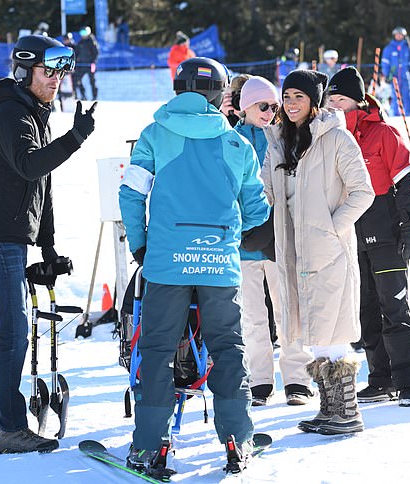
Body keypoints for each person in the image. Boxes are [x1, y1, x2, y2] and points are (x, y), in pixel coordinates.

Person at [119, 57, 270, 471]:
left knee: (156, 349)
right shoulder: (237, 145)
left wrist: (141, 246)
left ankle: (149, 444)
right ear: (221, 95)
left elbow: (131, 195)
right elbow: (257, 210)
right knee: (227, 347)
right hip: (219, 261)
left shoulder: (152, 135)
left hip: (166, 261)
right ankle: (237, 439)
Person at [0, 34, 96, 454]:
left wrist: (48, 245)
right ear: (24, 73)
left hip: (10, 236)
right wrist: (75, 138)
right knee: (14, 332)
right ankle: (9, 426)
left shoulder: (34, 115)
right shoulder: (11, 116)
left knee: (12, 330)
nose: (56, 79)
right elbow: (29, 166)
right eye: (48, 71)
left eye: (60, 71)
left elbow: (43, 184)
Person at [262, 69, 375, 435]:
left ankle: (347, 412)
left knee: (333, 330)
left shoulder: (337, 138)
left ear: (314, 101)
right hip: (294, 250)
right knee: (314, 331)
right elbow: (265, 191)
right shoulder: (280, 141)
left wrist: (331, 229)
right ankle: (330, 410)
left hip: (328, 250)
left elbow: (363, 192)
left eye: (299, 96)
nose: (291, 103)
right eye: (287, 96)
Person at [328, 66, 410, 407]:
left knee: (393, 308)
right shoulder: (329, 138)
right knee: (365, 311)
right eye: (331, 100)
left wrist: (409, 227)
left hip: (386, 234)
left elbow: (407, 182)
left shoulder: (383, 132)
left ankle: (408, 380)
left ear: (357, 99)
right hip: (349, 237)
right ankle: (380, 379)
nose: (335, 106)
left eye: (341, 99)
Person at [235, 75, 314, 406]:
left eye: (273, 106)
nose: (269, 112)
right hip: (241, 241)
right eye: (262, 106)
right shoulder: (229, 140)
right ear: (245, 107)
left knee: (287, 310)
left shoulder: (283, 139)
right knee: (252, 316)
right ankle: (260, 379)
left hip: (279, 237)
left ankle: (297, 378)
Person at [381, 26, 410, 116]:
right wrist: (386, 73)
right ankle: (395, 113)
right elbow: (385, 63)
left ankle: (408, 113)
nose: (399, 36)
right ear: (394, 35)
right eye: (397, 34)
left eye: (401, 35)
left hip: (405, 74)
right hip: (394, 74)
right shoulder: (389, 48)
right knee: (395, 93)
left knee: (407, 93)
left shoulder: (407, 47)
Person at [74, 26, 99, 100]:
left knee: (92, 81)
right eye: (82, 33)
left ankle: (94, 96)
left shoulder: (91, 41)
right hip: (81, 65)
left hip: (90, 65)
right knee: (76, 80)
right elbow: (76, 52)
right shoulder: (80, 42)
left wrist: (93, 62)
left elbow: (96, 53)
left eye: (84, 33)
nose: (83, 35)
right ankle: (83, 95)